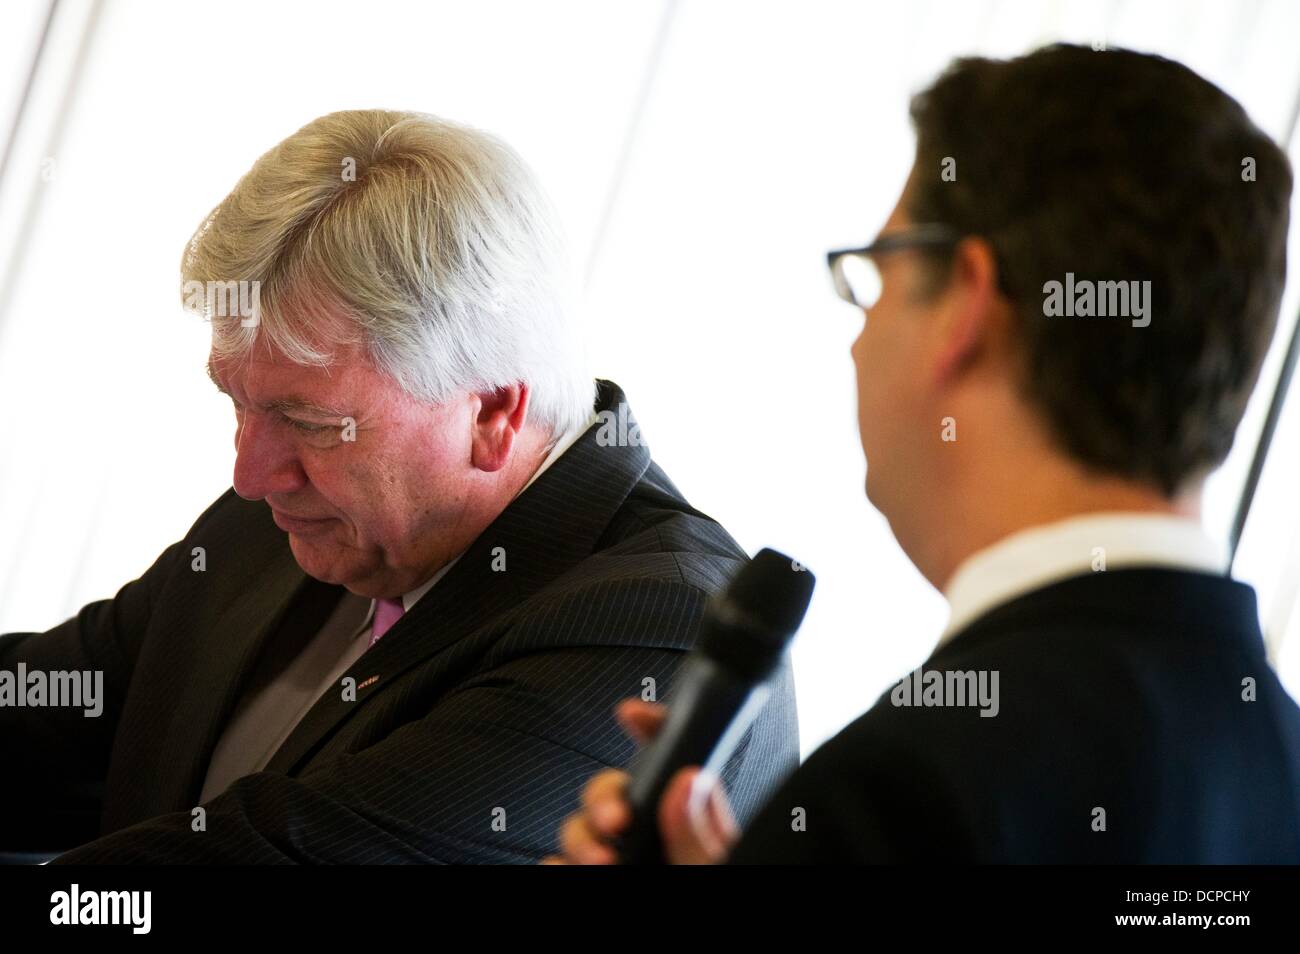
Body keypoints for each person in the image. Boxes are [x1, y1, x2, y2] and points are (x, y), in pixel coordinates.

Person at [549, 44, 1300, 864]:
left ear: (965, 309)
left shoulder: (902, 796)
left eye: (875, 273)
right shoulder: (1282, 764)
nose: (859, 342)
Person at [0, 110, 798, 864]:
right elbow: (36, 718)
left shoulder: (658, 627)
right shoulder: (292, 514)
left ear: (491, 413)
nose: (249, 473)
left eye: (309, 422)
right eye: (237, 402)